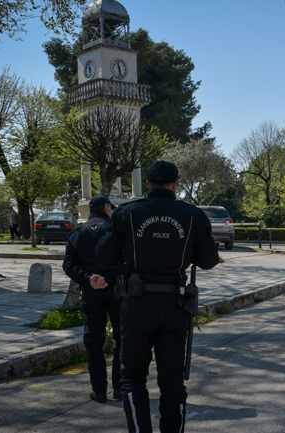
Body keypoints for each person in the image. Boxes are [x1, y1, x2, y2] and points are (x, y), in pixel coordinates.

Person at [96, 161, 219, 433]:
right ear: (175, 184)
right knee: (172, 379)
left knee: (133, 377)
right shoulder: (192, 215)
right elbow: (209, 261)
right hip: (174, 305)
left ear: (149, 184)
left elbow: (104, 258)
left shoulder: (127, 213)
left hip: (136, 305)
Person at [63, 195, 121, 403]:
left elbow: (69, 265)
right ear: (107, 207)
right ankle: (120, 389)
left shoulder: (77, 232)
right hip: (116, 291)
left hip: (91, 293)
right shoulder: (116, 230)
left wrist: (90, 279)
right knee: (121, 340)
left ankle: (99, 391)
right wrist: (109, 278)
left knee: (94, 342)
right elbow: (128, 261)